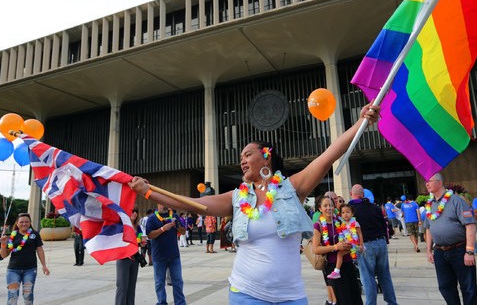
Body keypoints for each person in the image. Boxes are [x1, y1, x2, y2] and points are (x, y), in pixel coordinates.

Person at [129, 103, 380, 304]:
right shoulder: (237, 197)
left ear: (266, 157)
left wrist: (361, 122)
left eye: (248, 154)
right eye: (241, 157)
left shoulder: (292, 188)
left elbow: (328, 155)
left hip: (290, 297)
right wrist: (148, 191)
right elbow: (192, 204)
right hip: (245, 294)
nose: (242, 160)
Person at [424, 173, 477, 305]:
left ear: (440, 183)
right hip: (440, 252)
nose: (427, 184)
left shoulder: (456, 200)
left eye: (430, 181)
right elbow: (428, 228)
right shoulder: (429, 204)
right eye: (426, 181)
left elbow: (470, 225)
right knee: (445, 286)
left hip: (459, 250)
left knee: (468, 287)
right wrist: (429, 250)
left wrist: (469, 251)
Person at [349, 184, 397, 305]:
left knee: (367, 277)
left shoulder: (351, 209)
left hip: (365, 245)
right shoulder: (375, 207)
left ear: (351, 194)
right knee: (385, 275)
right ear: (363, 195)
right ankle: (392, 302)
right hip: (381, 243)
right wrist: (385, 240)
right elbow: (384, 225)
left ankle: (371, 303)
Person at [313, 195, 363, 304]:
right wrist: (335, 247)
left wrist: (352, 243)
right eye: (325, 206)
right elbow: (316, 249)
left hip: (348, 263)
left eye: (331, 205)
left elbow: (354, 233)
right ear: (320, 208)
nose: (329, 208)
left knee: (355, 298)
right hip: (333, 268)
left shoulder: (341, 221)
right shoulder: (318, 225)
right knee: (343, 300)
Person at [0, 212, 50, 304]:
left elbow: (40, 250)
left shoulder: (34, 234)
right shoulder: (12, 236)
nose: (24, 224)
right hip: (13, 270)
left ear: (30, 223)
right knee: (12, 295)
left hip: (30, 269)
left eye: (27, 222)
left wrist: (44, 266)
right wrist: (3, 244)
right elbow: (3, 255)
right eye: (21, 222)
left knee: (28, 295)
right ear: (17, 223)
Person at [146, 203, 186, 305]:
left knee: (178, 282)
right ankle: (161, 302)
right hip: (159, 256)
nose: (164, 205)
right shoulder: (152, 218)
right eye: (161, 203)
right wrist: (162, 229)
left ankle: (180, 303)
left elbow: (183, 232)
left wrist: (177, 226)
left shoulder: (174, 216)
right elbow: (149, 235)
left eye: (165, 203)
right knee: (159, 283)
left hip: (174, 256)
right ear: (157, 204)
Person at [115, 208, 145, 305]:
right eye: (132, 211)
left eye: (136, 211)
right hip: (123, 258)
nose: (135, 213)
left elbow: (139, 240)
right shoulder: (122, 227)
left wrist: (142, 243)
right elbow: (118, 242)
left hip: (135, 258)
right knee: (122, 287)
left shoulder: (138, 227)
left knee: (131, 287)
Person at [326, 204, 363, 280]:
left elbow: (360, 234)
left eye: (348, 212)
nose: (345, 214)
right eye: (343, 212)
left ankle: (336, 271)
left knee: (339, 254)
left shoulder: (355, 223)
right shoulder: (342, 223)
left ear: (352, 214)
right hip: (347, 243)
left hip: (353, 244)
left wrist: (361, 245)